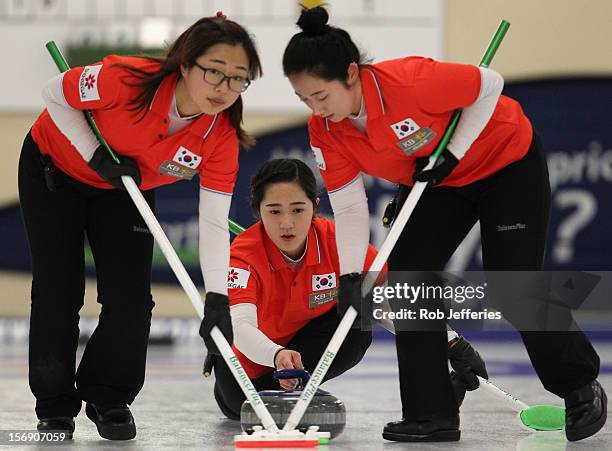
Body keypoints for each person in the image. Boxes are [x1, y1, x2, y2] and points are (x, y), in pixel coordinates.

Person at [281, 5, 606, 443]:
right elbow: (350, 205)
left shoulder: (411, 82)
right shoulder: (326, 129)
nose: (316, 109)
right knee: (407, 280)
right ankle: (431, 413)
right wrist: (352, 275)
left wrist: (453, 150)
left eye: (321, 96)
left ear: (352, 74)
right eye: (305, 100)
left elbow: (490, 85)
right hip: (438, 180)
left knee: (513, 284)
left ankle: (579, 385)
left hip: (505, 164)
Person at [18, 12, 261, 440]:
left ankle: (109, 396)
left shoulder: (219, 137)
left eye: (238, 78)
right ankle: (54, 406)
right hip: (54, 169)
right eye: (214, 72)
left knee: (131, 299)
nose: (224, 88)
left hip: (125, 188)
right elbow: (54, 94)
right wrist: (95, 154)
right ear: (185, 65)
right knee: (59, 289)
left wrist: (218, 298)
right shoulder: (125, 79)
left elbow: (213, 220)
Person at [212, 158, 487, 420]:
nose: (287, 223)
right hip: (248, 367)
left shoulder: (338, 241)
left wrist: (449, 342)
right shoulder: (243, 255)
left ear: (314, 205)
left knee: (359, 315)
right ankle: (274, 393)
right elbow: (242, 328)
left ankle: (297, 390)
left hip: (301, 350)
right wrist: (275, 354)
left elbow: (388, 298)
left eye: (298, 209)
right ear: (258, 210)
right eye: (274, 211)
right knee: (242, 407)